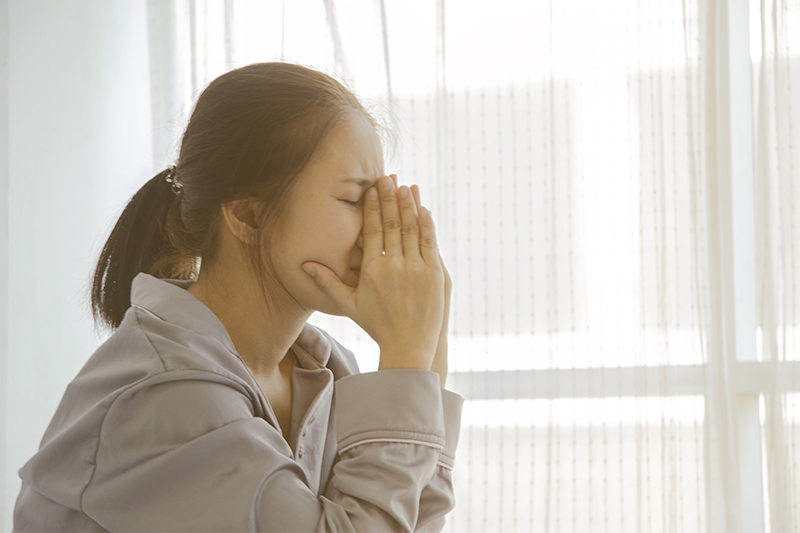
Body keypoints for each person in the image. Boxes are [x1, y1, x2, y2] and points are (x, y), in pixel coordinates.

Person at [13, 62, 462, 532]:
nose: (379, 226)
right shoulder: (167, 394)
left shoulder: (328, 372)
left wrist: (428, 352)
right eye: (354, 200)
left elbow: (409, 522)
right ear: (248, 215)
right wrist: (407, 359)